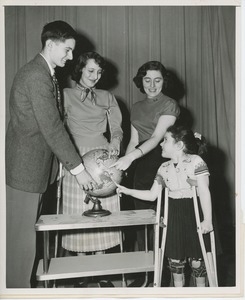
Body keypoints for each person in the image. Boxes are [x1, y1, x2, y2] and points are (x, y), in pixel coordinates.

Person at [5, 20, 96, 288]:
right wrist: (79, 171)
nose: (70, 57)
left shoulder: (46, 73)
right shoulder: (36, 75)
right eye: (67, 50)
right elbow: (52, 127)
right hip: (25, 171)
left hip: (35, 169)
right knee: (19, 247)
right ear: (50, 44)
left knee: (25, 244)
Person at [117, 124, 213, 287]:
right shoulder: (163, 168)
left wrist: (208, 220)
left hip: (194, 216)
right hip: (173, 217)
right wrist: (128, 191)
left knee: (197, 262)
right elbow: (152, 194)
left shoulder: (196, 162)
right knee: (175, 263)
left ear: (179, 145)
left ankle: (201, 292)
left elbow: (204, 191)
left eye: (165, 140)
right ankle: (178, 292)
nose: (160, 144)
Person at [112, 60, 180, 286]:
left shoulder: (170, 104)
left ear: (164, 82)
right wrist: (123, 165)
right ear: (141, 81)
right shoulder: (137, 106)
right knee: (142, 222)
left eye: (157, 80)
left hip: (162, 162)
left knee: (162, 220)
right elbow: (133, 140)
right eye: (147, 79)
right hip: (140, 164)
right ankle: (148, 274)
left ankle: (167, 275)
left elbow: (156, 138)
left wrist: (131, 157)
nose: (152, 85)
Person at [61, 51, 123, 288]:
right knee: (79, 212)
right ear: (79, 70)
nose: (95, 76)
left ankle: (103, 269)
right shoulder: (65, 95)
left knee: (105, 213)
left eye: (99, 72)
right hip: (76, 158)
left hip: (102, 158)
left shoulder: (107, 96)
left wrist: (115, 145)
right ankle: (81, 269)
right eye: (90, 71)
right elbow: (59, 129)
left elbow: (116, 127)